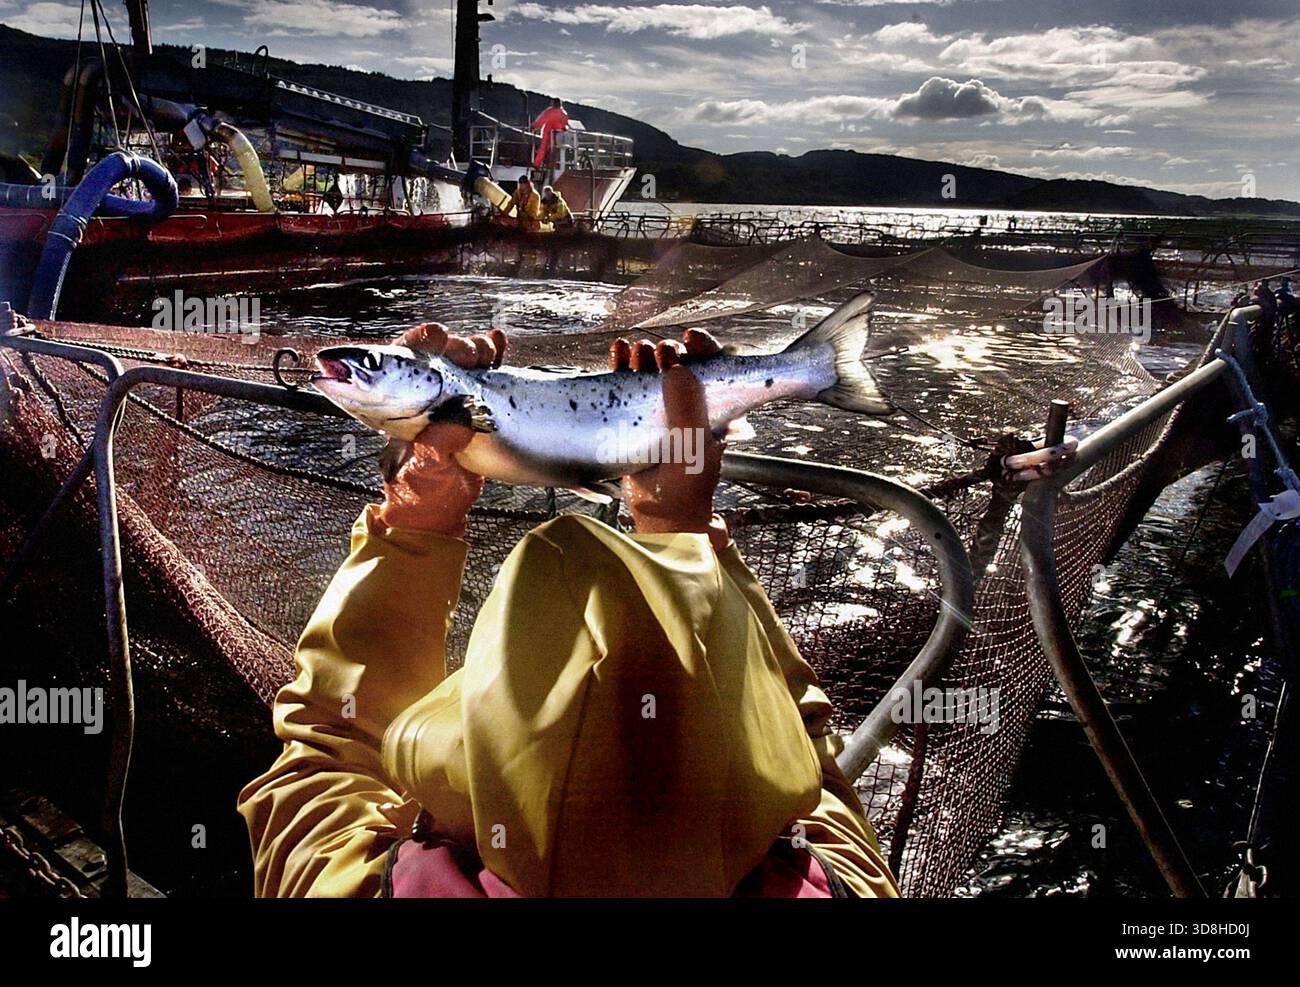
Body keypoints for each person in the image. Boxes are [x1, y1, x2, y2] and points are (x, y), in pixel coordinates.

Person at [238, 324, 900, 898]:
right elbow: (816, 778)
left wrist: (417, 517)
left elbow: (331, 747)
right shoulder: (842, 882)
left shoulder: (348, 883)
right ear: (757, 781)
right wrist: (683, 530)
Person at [531, 97, 570, 170]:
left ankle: (538, 164)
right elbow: (565, 124)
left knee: (544, 149)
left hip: (550, 133)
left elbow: (541, 120)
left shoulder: (550, 111)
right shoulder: (563, 113)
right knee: (553, 150)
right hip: (557, 134)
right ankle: (547, 165)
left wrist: (534, 126)